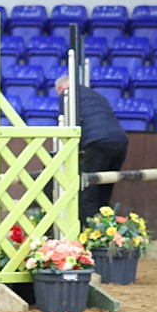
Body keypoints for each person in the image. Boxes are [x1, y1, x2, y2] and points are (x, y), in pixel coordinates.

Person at [55, 75, 129, 222]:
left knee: (87, 196)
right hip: (120, 140)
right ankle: (106, 234)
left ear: (59, 88)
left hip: (97, 142)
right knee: (103, 194)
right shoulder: (96, 95)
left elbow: (70, 125)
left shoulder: (68, 95)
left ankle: (90, 236)